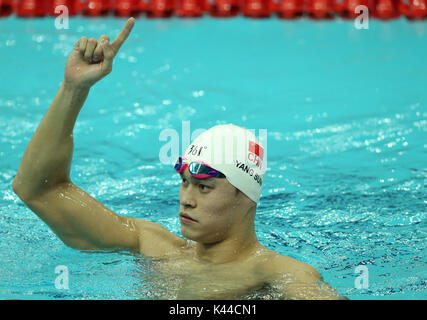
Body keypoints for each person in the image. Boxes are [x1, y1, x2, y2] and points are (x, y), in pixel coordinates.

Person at [12, 18, 346, 300]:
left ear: (246, 196)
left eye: (204, 188)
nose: (186, 200)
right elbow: (40, 191)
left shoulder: (279, 274)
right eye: (185, 183)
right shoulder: (152, 246)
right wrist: (73, 89)